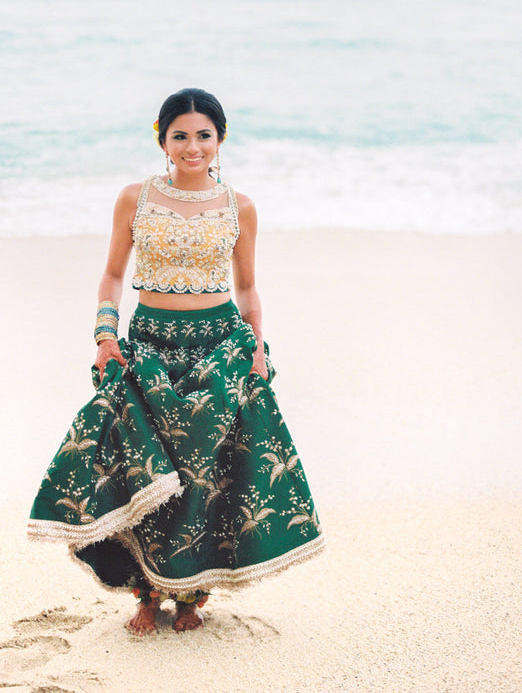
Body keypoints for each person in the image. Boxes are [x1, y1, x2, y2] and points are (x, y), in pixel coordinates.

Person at [28, 88, 323, 634]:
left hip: (218, 348)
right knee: (146, 470)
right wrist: (104, 335)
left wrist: (256, 348)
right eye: (180, 135)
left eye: (203, 135)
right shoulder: (135, 199)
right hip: (149, 350)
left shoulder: (241, 206)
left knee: (205, 475)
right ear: (161, 139)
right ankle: (146, 594)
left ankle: (190, 596)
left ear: (221, 138)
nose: (193, 146)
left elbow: (249, 288)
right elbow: (113, 275)